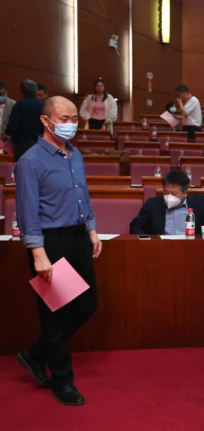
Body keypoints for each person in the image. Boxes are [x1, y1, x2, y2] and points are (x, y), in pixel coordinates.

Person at [14, 96, 102, 405]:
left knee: (88, 303)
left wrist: (92, 231)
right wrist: (38, 253)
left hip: (79, 238)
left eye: (75, 119)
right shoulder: (30, 161)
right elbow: (27, 210)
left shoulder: (74, 154)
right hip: (52, 243)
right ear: (46, 120)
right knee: (56, 313)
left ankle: (36, 353)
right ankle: (62, 381)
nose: (71, 125)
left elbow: (83, 196)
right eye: (64, 119)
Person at [129, 170, 204, 235]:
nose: (169, 197)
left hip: (193, 247)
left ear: (185, 193)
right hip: (162, 248)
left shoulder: (202, 202)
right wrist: (148, 242)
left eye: (174, 193)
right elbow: (135, 226)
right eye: (166, 192)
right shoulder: (152, 204)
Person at [6, 79, 44, 161]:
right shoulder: (43, 106)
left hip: (22, 146)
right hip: (41, 144)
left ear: (21, 92)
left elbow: (12, 127)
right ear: (36, 91)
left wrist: (7, 133)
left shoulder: (19, 105)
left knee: (22, 167)